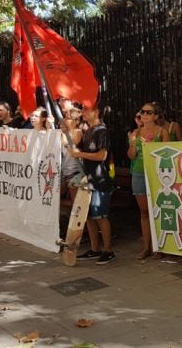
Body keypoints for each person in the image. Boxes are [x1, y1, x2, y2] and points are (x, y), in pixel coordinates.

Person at [67, 104, 116, 265]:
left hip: (101, 179)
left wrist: (80, 153)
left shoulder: (102, 131)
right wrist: (67, 130)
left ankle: (108, 250)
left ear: (96, 112)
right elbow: (75, 147)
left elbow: (102, 156)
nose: (83, 113)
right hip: (88, 179)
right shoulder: (87, 131)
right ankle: (95, 249)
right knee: (89, 216)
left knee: (101, 216)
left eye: (87, 110)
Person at [127, 103, 170, 260]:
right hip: (139, 173)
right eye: (142, 112)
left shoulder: (162, 132)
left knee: (158, 210)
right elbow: (131, 156)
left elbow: (168, 154)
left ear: (156, 116)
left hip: (157, 174)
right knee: (144, 212)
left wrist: (153, 148)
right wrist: (132, 142)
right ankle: (147, 247)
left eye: (148, 112)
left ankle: (160, 246)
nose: (144, 114)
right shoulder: (137, 132)